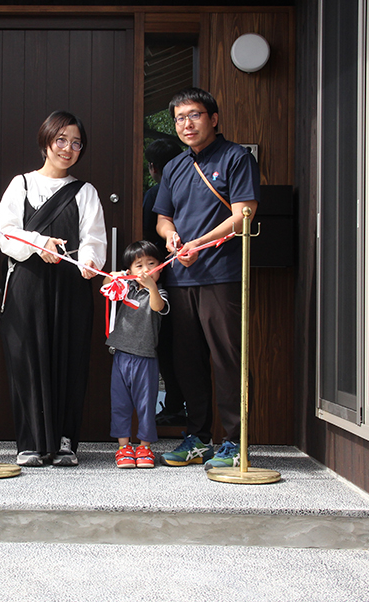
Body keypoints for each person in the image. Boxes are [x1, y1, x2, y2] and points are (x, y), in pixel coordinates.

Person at [153, 88, 259, 469]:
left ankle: (234, 441)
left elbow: (243, 214)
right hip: (182, 277)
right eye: (180, 118)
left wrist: (200, 242)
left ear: (213, 118)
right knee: (187, 362)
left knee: (228, 358)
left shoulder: (236, 158)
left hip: (222, 275)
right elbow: (163, 216)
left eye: (194, 115)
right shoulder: (174, 167)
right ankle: (197, 437)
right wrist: (170, 236)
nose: (186, 124)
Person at [0, 111, 107, 467]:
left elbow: (94, 238)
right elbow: (5, 232)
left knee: (69, 359)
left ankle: (64, 443)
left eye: (76, 143)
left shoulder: (85, 191)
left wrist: (91, 261)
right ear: (46, 141)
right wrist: (39, 242)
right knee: (26, 360)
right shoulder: (21, 184)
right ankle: (29, 443)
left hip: (71, 287)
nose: (68, 148)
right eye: (61, 140)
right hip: (27, 285)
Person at [103, 240, 170, 469]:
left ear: (160, 267)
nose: (145, 270)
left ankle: (144, 447)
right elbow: (106, 287)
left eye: (151, 264)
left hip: (146, 358)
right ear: (130, 270)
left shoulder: (159, 291)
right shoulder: (127, 287)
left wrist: (151, 286)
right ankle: (123, 447)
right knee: (120, 404)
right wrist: (115, 276)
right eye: (139, 265)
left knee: (145, 404)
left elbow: (157, 306)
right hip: (121, 354)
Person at [143, 138, 186, 427]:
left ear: (153, 168)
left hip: (160, 277)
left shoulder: (155, 194)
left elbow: (147, 234)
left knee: (166, 345)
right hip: (188, 276)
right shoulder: (185, 187)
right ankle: (179, 404)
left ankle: (172, 405)